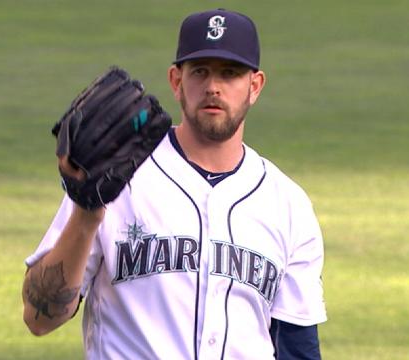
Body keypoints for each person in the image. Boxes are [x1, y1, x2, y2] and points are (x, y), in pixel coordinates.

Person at [22, 8, 327, 359]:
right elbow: (38, 319)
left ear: (254, 86)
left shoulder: (287, 203)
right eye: (200, 72)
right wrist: (86, 215)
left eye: (230, 74)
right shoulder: (115, 175)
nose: (213, 87)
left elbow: (296, 347)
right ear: (176, 80)